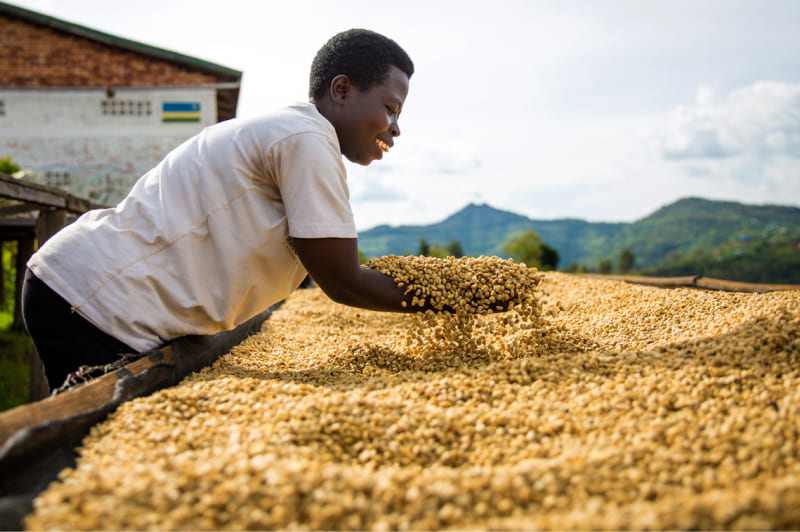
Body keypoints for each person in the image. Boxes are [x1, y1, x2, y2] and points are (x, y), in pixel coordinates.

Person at [22, 28, 422, 391]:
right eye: (390, 108)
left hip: (88, 292)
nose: (395, 127)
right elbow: (342, 280)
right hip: (95, 300)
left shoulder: (299, 136)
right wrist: (461, 294)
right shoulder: (307, 139)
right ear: (342, 89)